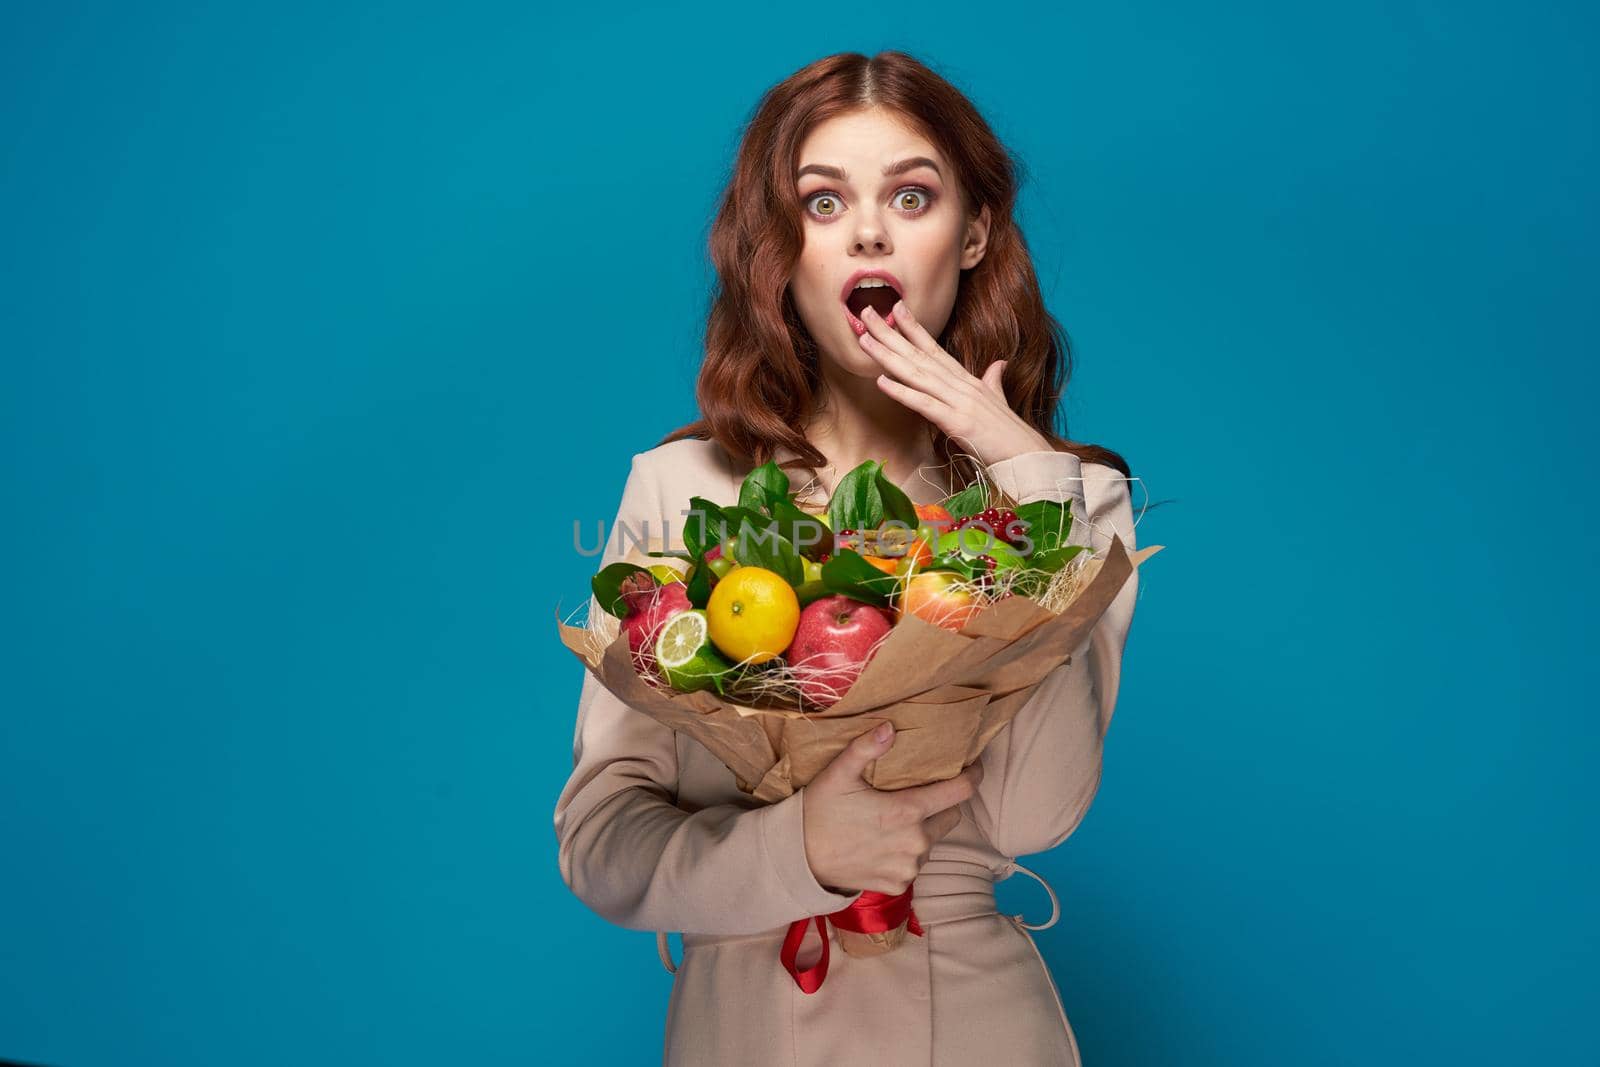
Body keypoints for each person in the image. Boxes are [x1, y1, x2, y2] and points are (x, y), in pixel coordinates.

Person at [554, 50, 1142, 1066]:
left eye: (911, 195)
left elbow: (1035, 815)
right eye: (822, 203)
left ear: (973, 235)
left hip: (973, 1021)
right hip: (739, 1022)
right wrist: (795, 852)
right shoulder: (682, 486)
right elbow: (601, 844)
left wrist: (1026, 480)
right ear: (777, 249)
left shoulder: (1070, 497)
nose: (869, 228)